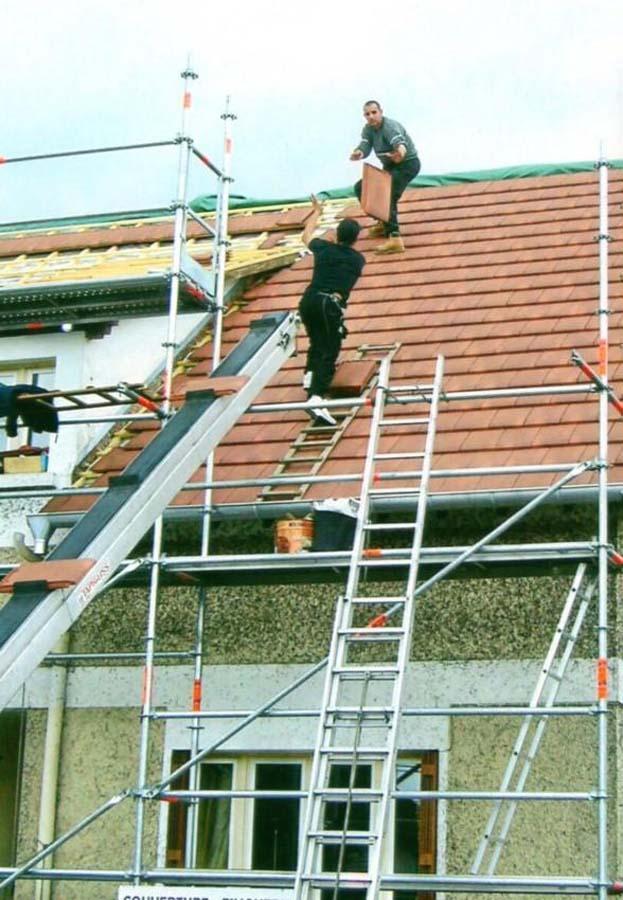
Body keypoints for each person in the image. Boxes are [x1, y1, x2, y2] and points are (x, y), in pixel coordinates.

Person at [298, 197, 365, 426]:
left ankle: (309, 376)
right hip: (329, 304)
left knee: (317, 340)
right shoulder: (358, 260)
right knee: (330, 347)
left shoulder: (323, 248)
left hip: (308, 301)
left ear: (336, 235)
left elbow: (306, 236)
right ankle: (316, 396)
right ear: (356, 239)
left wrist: (316, 212)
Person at [350, 100, 420, 254]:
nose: (371, 117)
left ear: (381, 112)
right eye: (367, 114)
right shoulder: (368, 130)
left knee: (387, 195)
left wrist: (399, 154)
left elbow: (400, 144)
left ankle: (395, 238)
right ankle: (383, 221)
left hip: (407, 165)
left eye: (374, 112)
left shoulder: (389, 127)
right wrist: (359, 153)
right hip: (390, 167)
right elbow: (365, 146)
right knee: (361, 187)